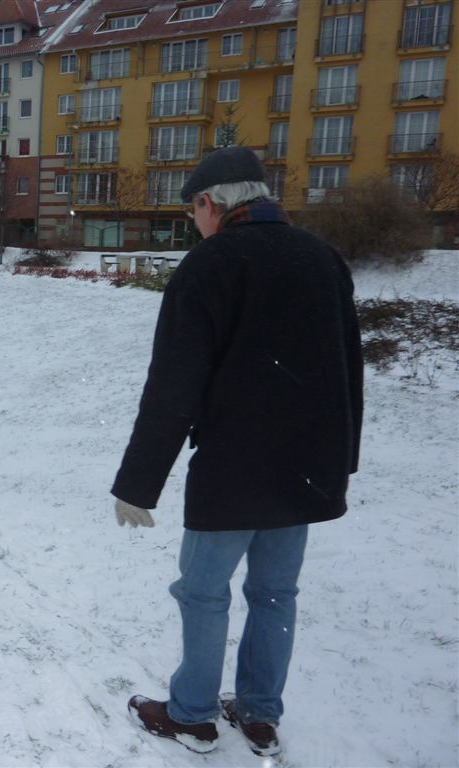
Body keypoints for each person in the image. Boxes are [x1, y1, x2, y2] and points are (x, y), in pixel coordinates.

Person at [114, 146, 363, 756]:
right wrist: (340, 462)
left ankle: (194, 715)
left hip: (231, 469)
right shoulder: (321, 258)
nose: (193, 224)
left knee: (203, 593)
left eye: (190, 211)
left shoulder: (209, 265)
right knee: (276, 593)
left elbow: (174, 385)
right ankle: (258, 713)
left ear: (209, 202)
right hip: (305, 469)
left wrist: (137, 482)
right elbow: (348, 371)